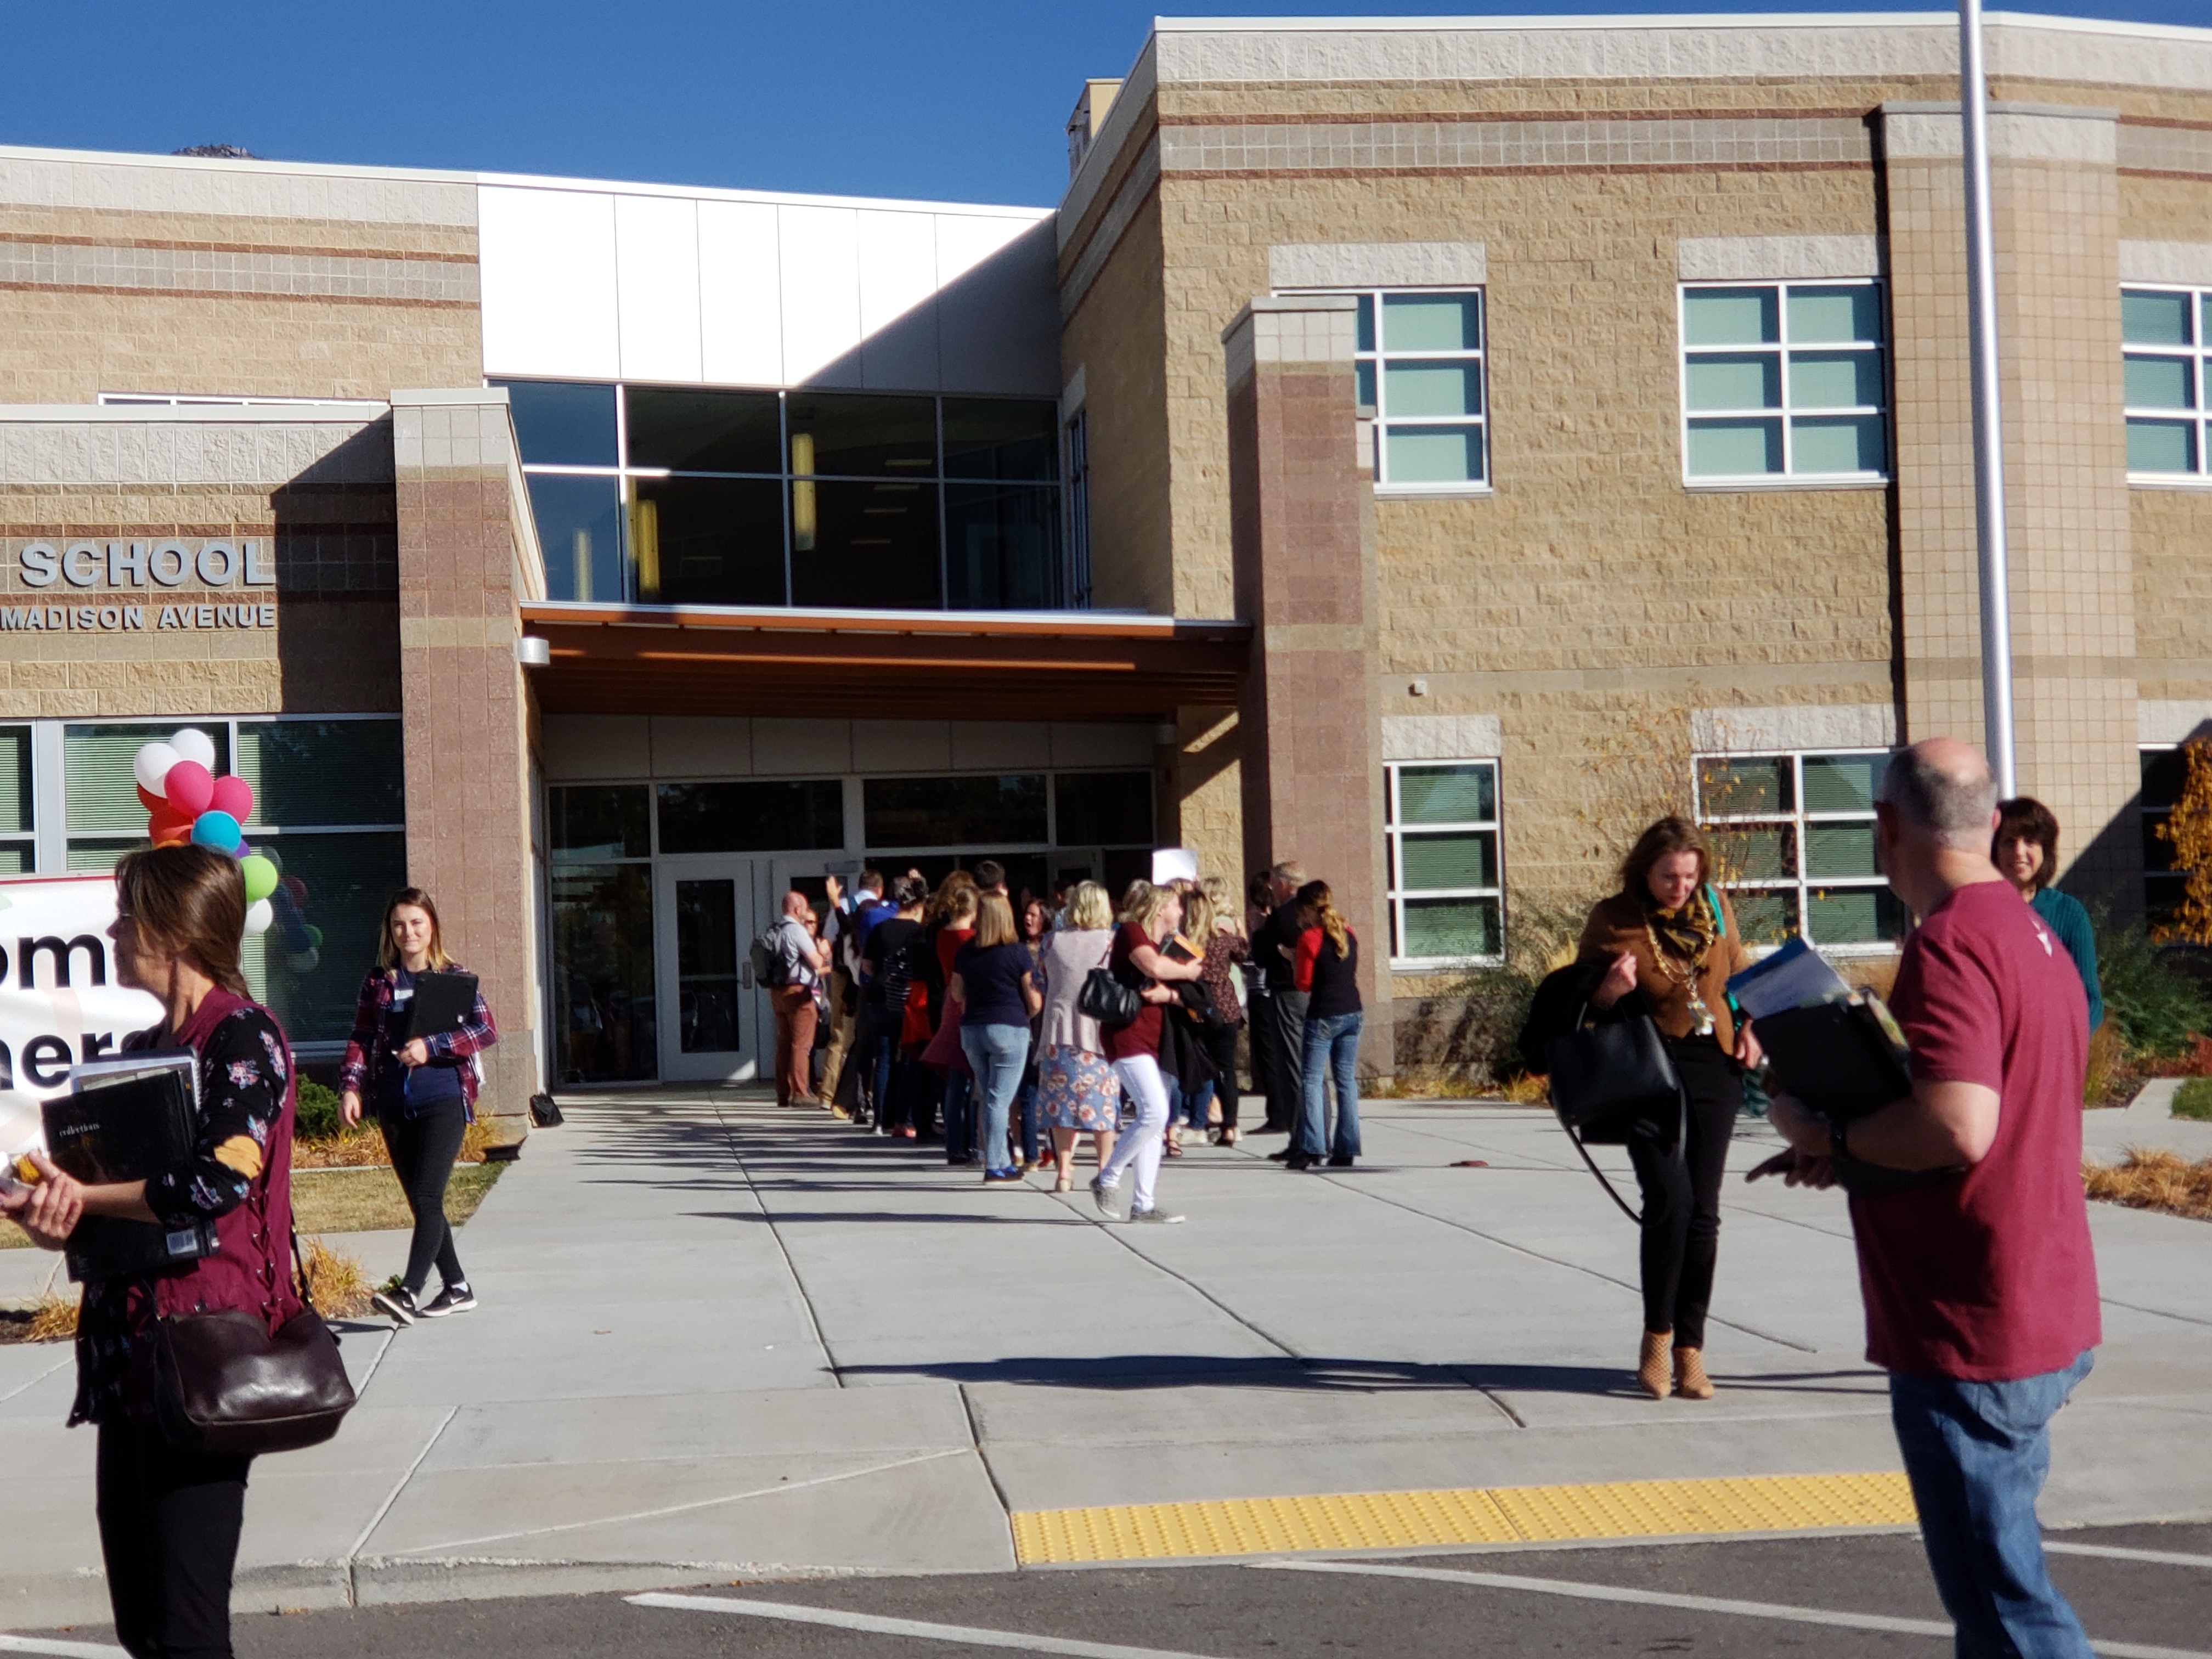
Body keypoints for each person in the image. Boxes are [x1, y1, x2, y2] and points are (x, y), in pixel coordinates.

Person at [1763, 738, 2101, 1659]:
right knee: (2003, 1602)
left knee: (2008, 1617)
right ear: (1992, 824)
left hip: (1969, 1324)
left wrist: (1825, 1134)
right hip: (2036, 1296)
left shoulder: (1949, 942)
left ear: (1886, 825)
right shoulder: (2030, 930)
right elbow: (2000, 1110)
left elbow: (1958, 1127)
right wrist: (1859, 1154)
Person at [2, 845, 302, 1659]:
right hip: (131, 1360)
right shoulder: (144, 1047)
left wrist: (88, 1197)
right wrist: (47, 1211)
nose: (113, 927)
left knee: (188, 1632)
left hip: (202, 1357)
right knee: (144, 1627)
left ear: (173, 931)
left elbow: (217, 1181)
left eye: (129, 913)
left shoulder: (243, 1038)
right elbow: (106, 1201)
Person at [1577, 817, 1758, 1401]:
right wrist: (1607, 991)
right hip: (1647, 1071)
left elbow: (1742, 974)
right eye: (1668, 877)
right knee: (1668, 1202)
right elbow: (1577, 1005)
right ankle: (1657, 1338)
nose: (1680, 887)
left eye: (1689, 875)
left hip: (1714, 1066)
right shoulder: (1614, 918)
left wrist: (1754, 1026)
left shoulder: (1716, 907)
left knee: (1703, 1210)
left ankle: (1691, 1350)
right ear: (1645, 870)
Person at [338, 887, 499, 1325]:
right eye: (399, 924)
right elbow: (362, 1038)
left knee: (428, 1194)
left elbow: (486, 1029)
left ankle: (409, 1291)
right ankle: (458, 1287)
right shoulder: (379, 982)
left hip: (443, 1099)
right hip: (394, 1104)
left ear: (431, 928)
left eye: (416, 923)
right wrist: (351, 1088)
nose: (408, 932)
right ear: (390, 932)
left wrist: (433, 1047)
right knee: (421, 1201)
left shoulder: (454, 977)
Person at [1092, 881, 1206, 1223]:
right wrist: (1187, 970)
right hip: (1126, 1035)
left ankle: (1143, 1204)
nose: (1181, 912)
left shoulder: (1168, 945)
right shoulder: (1131, 931)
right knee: (1155, 1111)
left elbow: (1193, 990)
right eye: (1176, 906)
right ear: (1160, 908)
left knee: (1154, 1120)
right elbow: (1153, 967)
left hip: (1155, 1038)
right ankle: (1107, 1177)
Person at [1036, 881, 1122, 1192]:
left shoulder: (1051, 941)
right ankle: (1103, 1168)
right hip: (1099, 1033)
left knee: (1061, 1108)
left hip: (1059, 1031)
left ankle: (1064, 1170)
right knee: (1103, 1106)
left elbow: (1039, 979)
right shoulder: (1113, 942)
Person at [952, 893, 1044, 1185]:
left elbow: (956, 993)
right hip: (1008, 1027)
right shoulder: (1017, 952)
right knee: (998, 1099)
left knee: (989, 1096)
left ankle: (1002, 1161)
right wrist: (1026, 1016)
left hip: (972, 1030)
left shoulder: (966, 952)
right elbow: (1034, 1000)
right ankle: (994, 1165)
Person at [1993, 797, 2104, 1031]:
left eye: (2030, 841)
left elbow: (2091, 1001)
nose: (2019, 851)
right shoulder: (1980, 913)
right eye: (2009, 842)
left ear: (2045, 851)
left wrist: (2064, 1042)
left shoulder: (2069, 913)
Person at [1286, 880, 1364, 1170]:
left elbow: (1304, 984)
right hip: (1353, 1012)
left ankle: (1312, 1147)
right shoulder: (1350, 932)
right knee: (1346, 1082)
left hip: (1323, 1016)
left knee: (1312, 1080)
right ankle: (1346, 1148)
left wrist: (1293, 958)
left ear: (1308, 910)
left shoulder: (1309, 939)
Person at [859, 876, 928, 1135]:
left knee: (884, 1058)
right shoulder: (918, 933)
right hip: (910, 1001)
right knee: (910, 1058)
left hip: (879, 996)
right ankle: (904, 1117)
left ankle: (879, 1119)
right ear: (919, 905)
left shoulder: (881, 929)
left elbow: (867, 965)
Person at [1251, 861, 1309, 1144]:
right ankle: (1315, 1136)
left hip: (1287, 992)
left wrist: (1260, 930)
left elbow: (1262, 958)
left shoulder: (1283, 915)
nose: (1271, 888)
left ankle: (1300, 1136)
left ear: (1284, 883)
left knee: (1292, 1065)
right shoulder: (1310, 912)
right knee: (1312, 1068)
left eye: (1274, 882)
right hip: (1311, 993)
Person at [1195, 874, 1252, 1146]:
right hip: (1228, 1004)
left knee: (1205, 1062)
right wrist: (1241, 933)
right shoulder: (1224, 934)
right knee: (1226, 1066)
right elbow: (1244, 953)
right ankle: (1230, 1124)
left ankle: (1208, 1114)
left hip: (1202, 1005)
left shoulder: (1195, 935)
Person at [762, 889, 830, 1109]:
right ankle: (801, 1092)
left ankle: (783, 1093)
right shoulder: (796, 931)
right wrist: (824, 952)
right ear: (797, 909)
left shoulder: (774, 929)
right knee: (802, 1044)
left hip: (778, 992)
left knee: (784, 1043)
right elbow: (817, 962)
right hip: (799, 992)